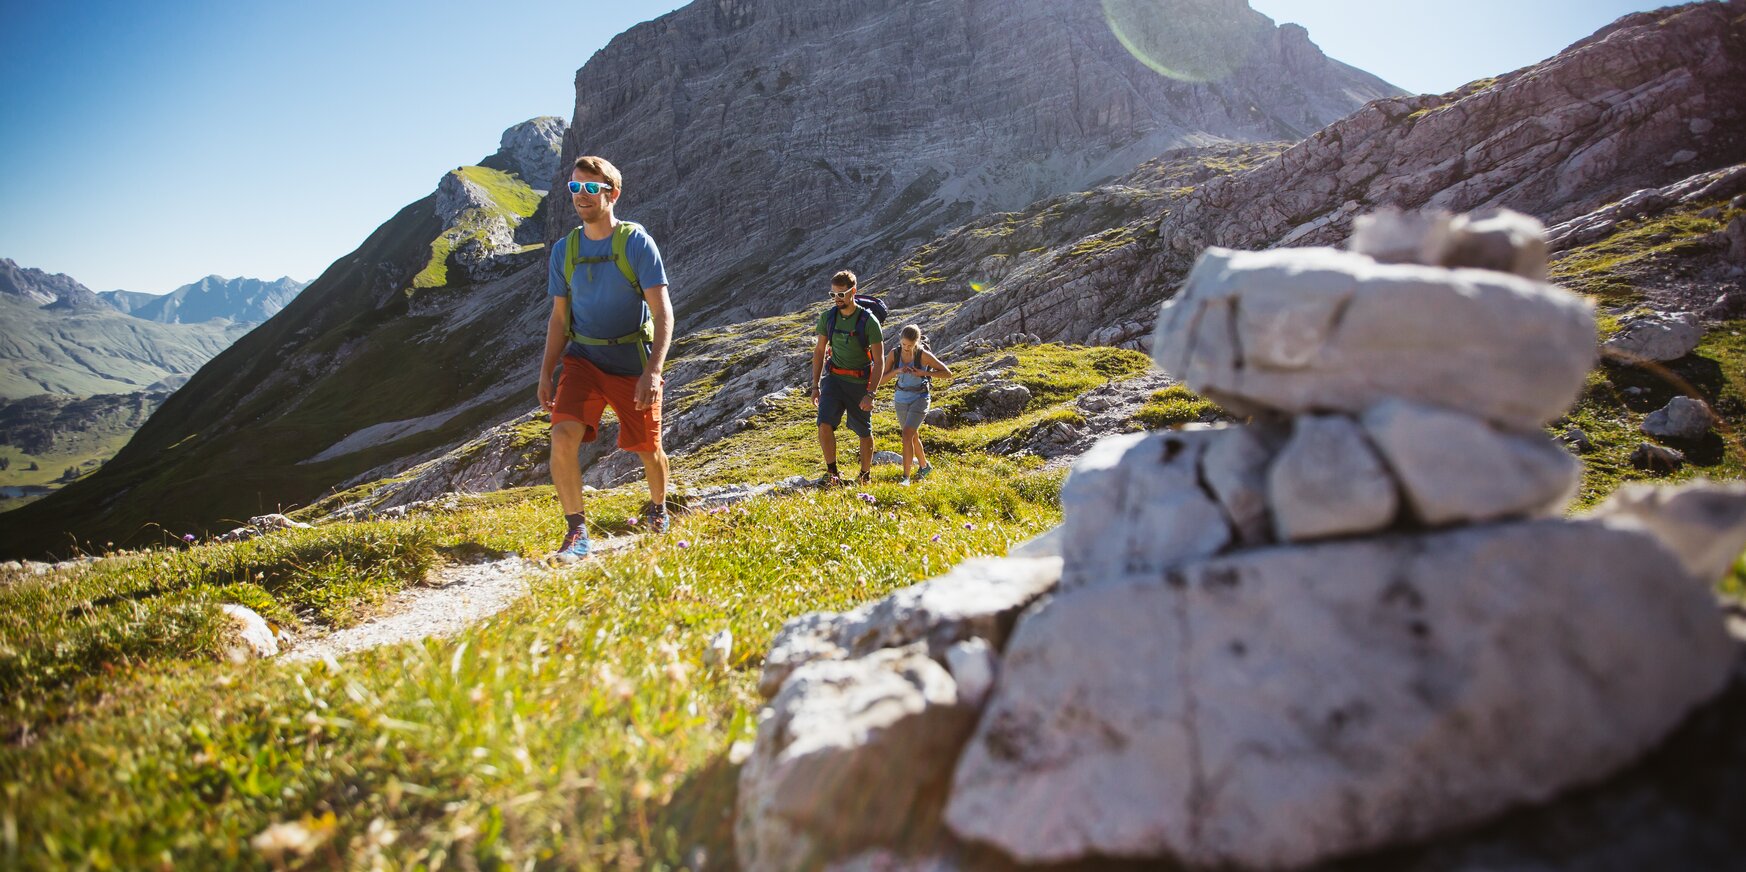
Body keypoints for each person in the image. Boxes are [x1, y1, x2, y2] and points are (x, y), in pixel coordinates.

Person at [537, 156, 674, 562]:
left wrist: (653, 372)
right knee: (562, 435)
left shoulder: (635, 243)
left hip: (632, 360)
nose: (581, 195)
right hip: (582, 359)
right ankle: (577, 532)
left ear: (612, 194)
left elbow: (663, 312)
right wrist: (546, 372)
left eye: (591, 188)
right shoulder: (565, 250)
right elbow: (560, 317)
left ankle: (659, 510)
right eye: (575, 188)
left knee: (648, 449)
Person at [810, 270, 884, 487]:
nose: (837, 299)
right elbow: (819, 351)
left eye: (841, 295)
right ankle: (833, 474)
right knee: (824, 423)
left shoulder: (869, 321)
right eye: (833, 295)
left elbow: (879, 361)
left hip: (860, 383)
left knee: (864, 431)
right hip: (833, 379)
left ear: (854, 291)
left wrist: (871, 393)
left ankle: (864, 475)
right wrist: (815, 386)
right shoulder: (828, 317)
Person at [878, 324, 952, 484]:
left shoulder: (923, 355)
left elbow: (947, 373)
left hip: (920, 397)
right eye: (903, 344)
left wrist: (923, 373)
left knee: (906, 435)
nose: (906, 348)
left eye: (909, 346)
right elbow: (881, 380)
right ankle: (924, 466)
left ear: (916, 343)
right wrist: (897, 371)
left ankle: (906, 477)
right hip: (900, 399)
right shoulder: (894, 353)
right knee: (912, 435)